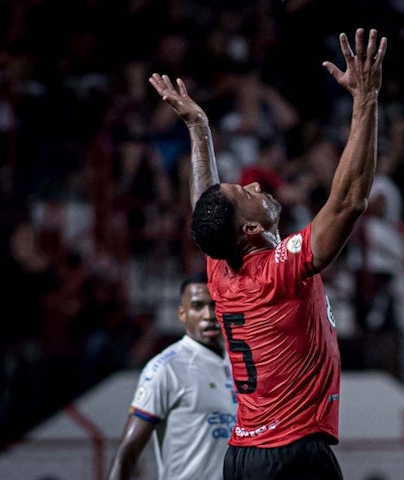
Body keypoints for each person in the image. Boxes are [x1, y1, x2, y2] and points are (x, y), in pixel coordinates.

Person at [149, 27, 386, 480]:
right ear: (252, 229)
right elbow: (350, 200)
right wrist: (366, 101)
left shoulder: (222, 266)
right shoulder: (276, 272)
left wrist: (200, 129)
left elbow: (207, 209)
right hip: (292, 455)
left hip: (244, 456)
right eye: (247, 192)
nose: (257, 185)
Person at [107, 272, 236, 480]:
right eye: (197, 306)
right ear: (182, 313)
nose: (209, 315)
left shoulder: (240, 361)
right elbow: (128, 450)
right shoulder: (166, 368)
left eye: (215, 305)